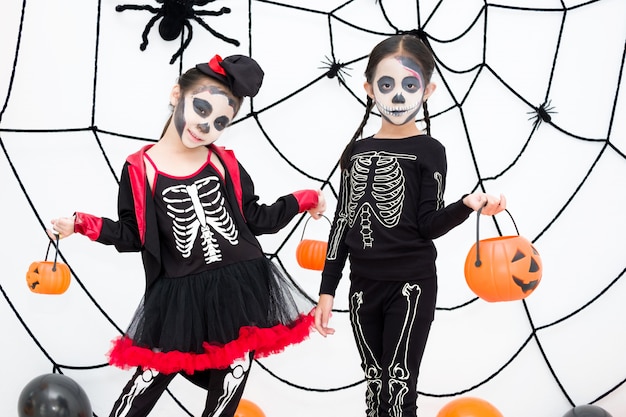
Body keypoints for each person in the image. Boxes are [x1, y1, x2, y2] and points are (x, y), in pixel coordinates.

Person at [48, 54, 326, 417]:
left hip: (240, 290)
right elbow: (134, 235)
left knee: (228, 389)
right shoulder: (139, 167)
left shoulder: (222, 162)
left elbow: (256, 218)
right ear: (177, 94)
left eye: (220, 121)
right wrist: (83, 225)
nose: (206, 125)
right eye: (201, 108)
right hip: (179, 297)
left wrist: (303, 199)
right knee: (147, 382)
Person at [313, 34, 506, 416]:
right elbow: (342, 221)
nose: (398, 95)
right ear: (369, 89)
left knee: (399, 386)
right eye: (386, 85)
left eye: (410, 85)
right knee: (374, 385)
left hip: (412, 285)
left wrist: (466, 205)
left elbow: (429, 224)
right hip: (362, 287)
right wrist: (326, 289)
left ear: (428, 90)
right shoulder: (355, 152)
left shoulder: (430, 150)